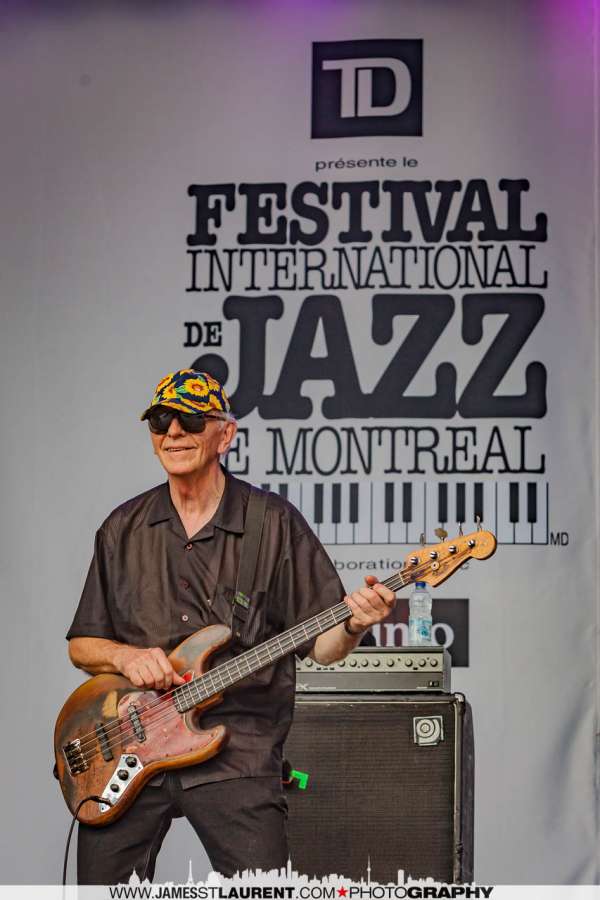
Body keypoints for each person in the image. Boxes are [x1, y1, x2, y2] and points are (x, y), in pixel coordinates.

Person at [66, 369, 396, 884]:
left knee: (261, 890)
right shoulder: (121, 528)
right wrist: (126, 657)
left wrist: (353, 623)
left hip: (237, 750)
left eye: (191, 419)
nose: (174, 432)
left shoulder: (274, 523)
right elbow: (82, 645)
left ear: (225, 435)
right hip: (129, 744)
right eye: (160, 420)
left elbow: (323, 648)